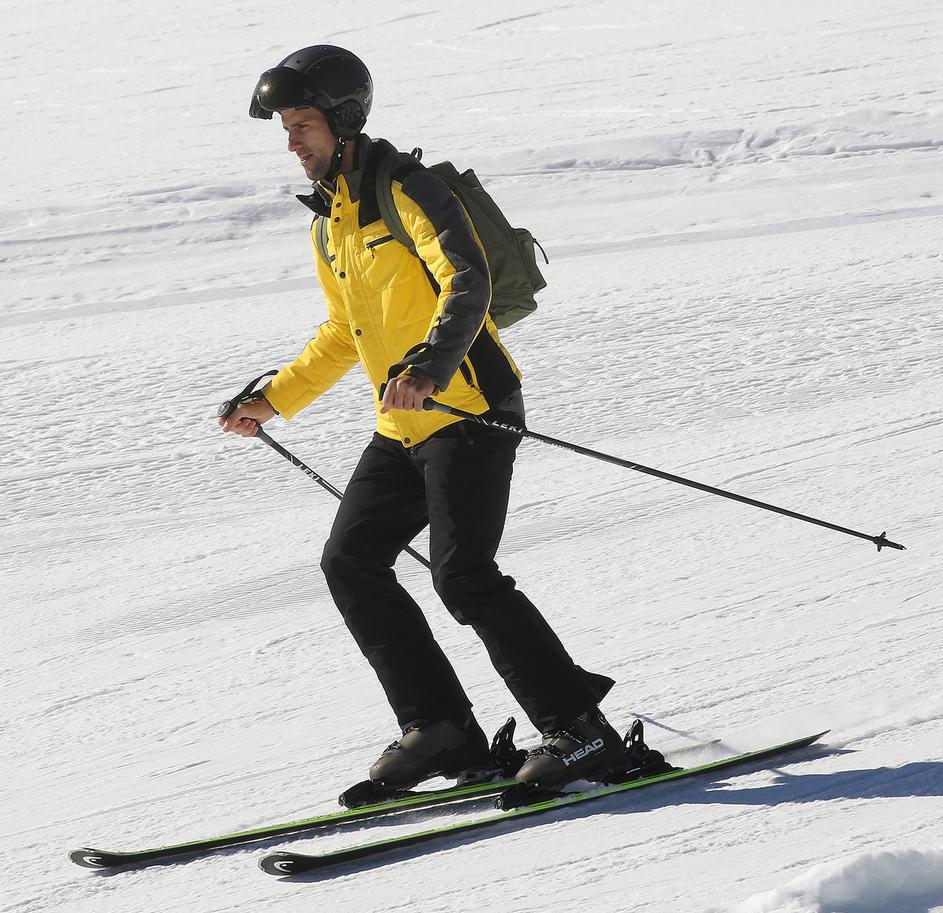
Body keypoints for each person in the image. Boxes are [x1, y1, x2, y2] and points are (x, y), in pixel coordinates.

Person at [220, 45, 623, 789]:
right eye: (284, 127)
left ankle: (578, 729)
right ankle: (440, 729)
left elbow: (463, 279)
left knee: (463, 575)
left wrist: (429, 365)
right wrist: (273, 398)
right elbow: (343, 330)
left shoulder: (406, 188)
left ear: (342, 120)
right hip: (403, 423)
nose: (290, 141)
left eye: (301, 123)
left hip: (468, 406)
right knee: (350, 561)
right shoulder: (331, 221)